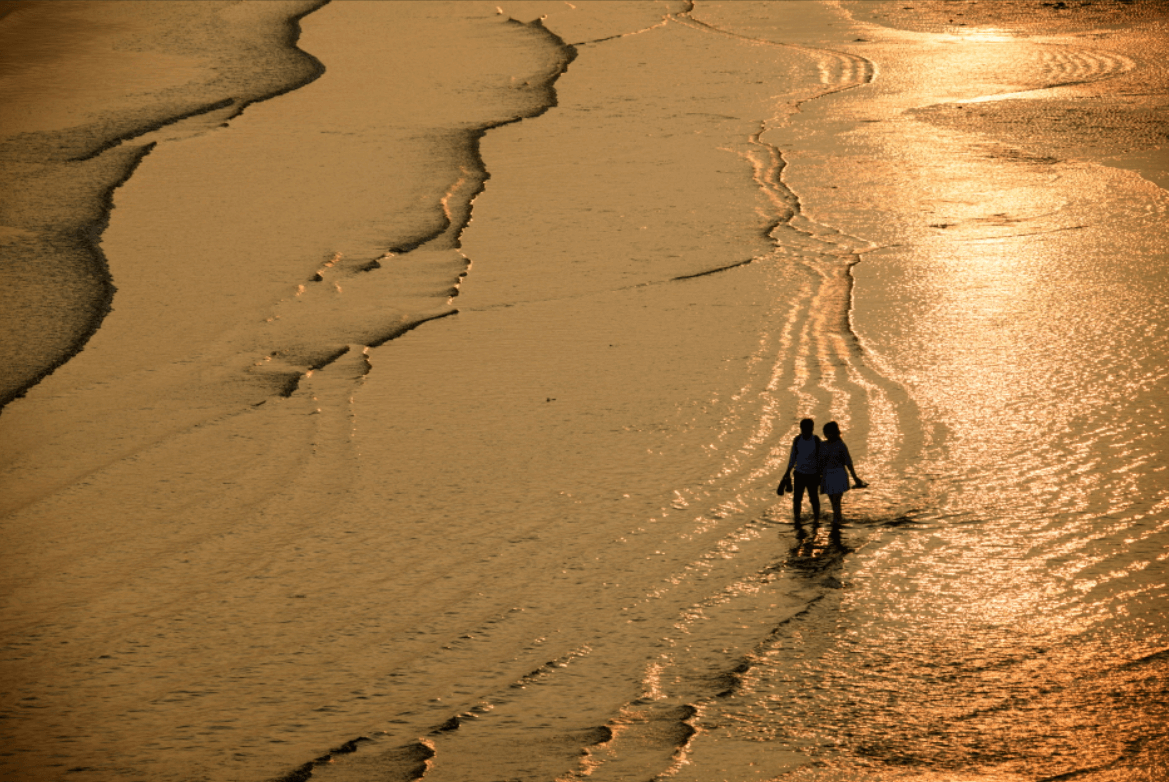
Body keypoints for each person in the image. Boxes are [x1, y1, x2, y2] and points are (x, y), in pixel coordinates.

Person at [818, 420, 867, 525]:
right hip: (827, 476)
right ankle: (837, 518)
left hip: (838, 475)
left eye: (828, 432)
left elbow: (848, 462)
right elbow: (819, 462)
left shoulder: (840, 445)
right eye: (825, 433)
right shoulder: (822, 445)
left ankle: (836, 520)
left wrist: (855, 477)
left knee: (836, 500)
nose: (826, 435)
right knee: (833, 501)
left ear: (834, 432)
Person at [780, 418, 821, 528]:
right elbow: (793, 457)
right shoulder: (797, 440)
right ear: (801, 428)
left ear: (812, 428)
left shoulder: (816, 440)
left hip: (813, 474)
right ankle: (797, 519)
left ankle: (816, 519)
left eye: (809, 429)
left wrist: (821, 474)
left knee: (814, 498)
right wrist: (787, 472)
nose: (806, 431)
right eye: (804, 429)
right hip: (799, 474)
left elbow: (821, 458)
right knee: (797, 499)